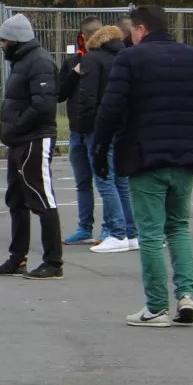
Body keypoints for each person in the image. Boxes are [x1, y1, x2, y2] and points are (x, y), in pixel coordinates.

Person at [92, 6, 193, 326]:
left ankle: (157, 306)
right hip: (186, 155)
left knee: (150, 233)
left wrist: (100, 150)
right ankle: (186, 295)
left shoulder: (130, 59)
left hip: (145, 156)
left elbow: (111, 107)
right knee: (178, 227)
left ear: (141, 29)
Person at [0, 13, 63, 280]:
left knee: (41, 197)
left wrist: (16, 126)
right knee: (16, 199)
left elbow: (43, 105)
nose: (2, 45)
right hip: (19, 139)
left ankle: (53, 261)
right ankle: (17, 257)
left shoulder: (39, 62)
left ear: (16, 40)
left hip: (35, 138)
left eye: (4, 41)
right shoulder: (21, 61)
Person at [61, 24, 137, 251]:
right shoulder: (124, 58)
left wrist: (85, 127)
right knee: (118, 181)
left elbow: (88, 97)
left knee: (104, 180)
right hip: (118, 126)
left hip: (95, 128)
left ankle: (117, 232)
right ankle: (130, 232)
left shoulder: (92, 60)